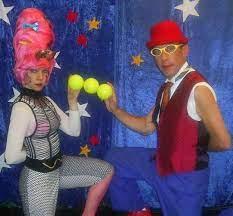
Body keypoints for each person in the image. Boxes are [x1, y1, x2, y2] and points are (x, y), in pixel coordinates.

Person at [104, 20, 231, 216]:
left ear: (185, 50)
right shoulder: (166, 87)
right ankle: (138, 210)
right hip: (159, 163)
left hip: (185, 179)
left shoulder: (199, 89)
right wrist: (115, 110)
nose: (163, 57)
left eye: (170, 48)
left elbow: (223, 141)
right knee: (115, 158)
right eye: (157, 51)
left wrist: (192, 148)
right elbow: (147, 126)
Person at [4, 8, 113, 216]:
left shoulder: (46, 100)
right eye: (33, 71)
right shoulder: (21, 108)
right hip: (37, 180)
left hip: (59, 169)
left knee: (104, 171)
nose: (40, 77)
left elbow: (73, 131)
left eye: (44, 71)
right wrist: (38, 154)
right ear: (22, 72)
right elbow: (10, 156)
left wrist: (72, 101)